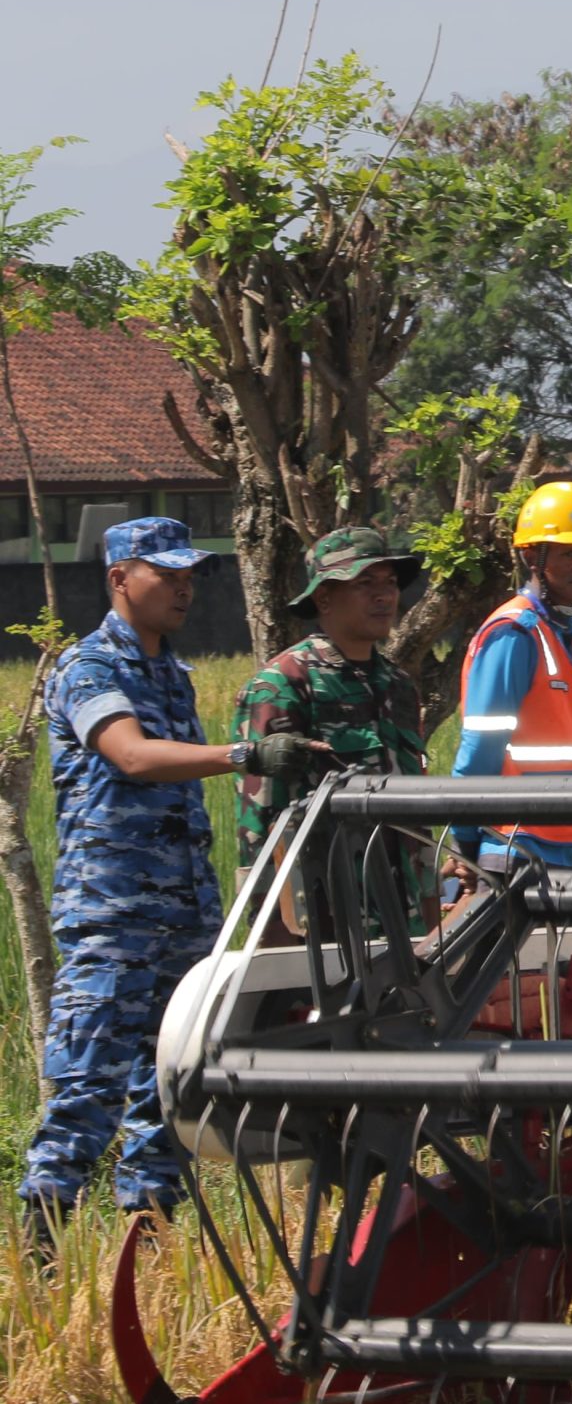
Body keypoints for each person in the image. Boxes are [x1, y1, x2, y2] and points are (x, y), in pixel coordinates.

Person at [18, 518, 327, 1243]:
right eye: (168, 574)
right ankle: (40, 1259)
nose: (185, 588)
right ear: (120, 577)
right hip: (113, 913)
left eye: (192, 575)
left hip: (184, 912)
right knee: (87, 1087)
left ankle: (148, 1242)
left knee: (171, 1089)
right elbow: (130, 755)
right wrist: (245, 754)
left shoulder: (173, 673)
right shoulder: (88, 667)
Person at [234, 526, 431, 930]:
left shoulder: (398, 686)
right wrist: (275, 941)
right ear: (324, 597)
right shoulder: (284, 683)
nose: (384, 596)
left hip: (401, 914)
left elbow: (417, 814)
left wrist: (429, 915)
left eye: (390, 582)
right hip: (324, 924)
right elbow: (263, 825)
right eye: (364, 583)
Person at [451, 481, 572, 877]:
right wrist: (464, 841)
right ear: (531, 556)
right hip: (515, 845)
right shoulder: (514, 633)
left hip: (571, 842)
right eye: (569, 554)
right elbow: (481, 746)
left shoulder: (564, 631)